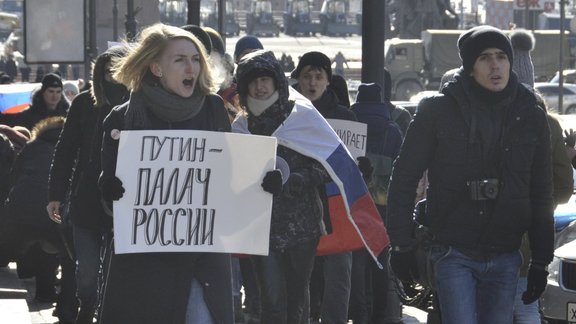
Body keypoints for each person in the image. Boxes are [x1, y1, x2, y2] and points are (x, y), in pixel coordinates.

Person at [387, 25, 554, 324]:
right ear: (470, 67)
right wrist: (401, 245)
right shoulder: (437, 110)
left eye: (502, 56)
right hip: (454, 249)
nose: (495, 65)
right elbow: (404, 175)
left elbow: (542, 189)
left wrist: (541, 260)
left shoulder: (530, 113)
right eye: (485, 58)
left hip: (506, 251)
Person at [96, 23, 233, 323]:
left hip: (201, 259)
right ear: (156, 68)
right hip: (145, 265)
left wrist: (266, 181)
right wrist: (110, 190)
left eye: (196, 59)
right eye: (180, 59)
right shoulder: (123, 118)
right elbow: (108, 198)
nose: (191, 67)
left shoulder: (213, 109)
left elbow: (230, 176)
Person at [234, 49, 332, 323]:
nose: (259, 86)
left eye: (265, 79)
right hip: (261, 230)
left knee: (296, 304)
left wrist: (293, 180)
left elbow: (326, 165)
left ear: (277, 81)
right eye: (253, 81)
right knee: (272, 303)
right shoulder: (241, 126)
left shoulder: (301, 118)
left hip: (302, 228)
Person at [46, 46, 130, 324]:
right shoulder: (84, 103)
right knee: (87, 272)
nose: (112, 76)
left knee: (116, 271)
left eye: (118, 70)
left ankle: (103, 313)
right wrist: (55, 195)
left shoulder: (139, 103)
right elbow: (66, 150)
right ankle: (87, 304)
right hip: (86, 199)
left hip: (125, 199)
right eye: (107, 71)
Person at [291, 50, 355, 324]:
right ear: (299, 80)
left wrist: (360, 167)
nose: (313, 82)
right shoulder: (288, 114)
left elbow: (355, 159)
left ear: (329, 81)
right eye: (307, 76)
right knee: (301, 278)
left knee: (338, 276)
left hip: (337, 206)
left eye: (319, 77)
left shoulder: (345, 117)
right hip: (299, 205)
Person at [349, 83, 403, 323]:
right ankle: (380, 316)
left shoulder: (350, 127)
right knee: (381, 262)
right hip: (383, 206)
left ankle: (360, 315)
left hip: (355, 205)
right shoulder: (393, 130)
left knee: (357, 263)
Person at [1, 117, 65, 303]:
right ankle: (46, 293)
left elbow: (13, 178)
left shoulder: (32, 147)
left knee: (16, 242)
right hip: (51, 211)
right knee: (50, 248)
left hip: (19, 211)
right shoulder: (71, 146)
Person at [0, 73, 69, 129]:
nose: (55, 96)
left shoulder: (68, 114)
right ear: (43, 92)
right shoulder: (26, 116)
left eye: (58, 92)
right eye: (51, 91)